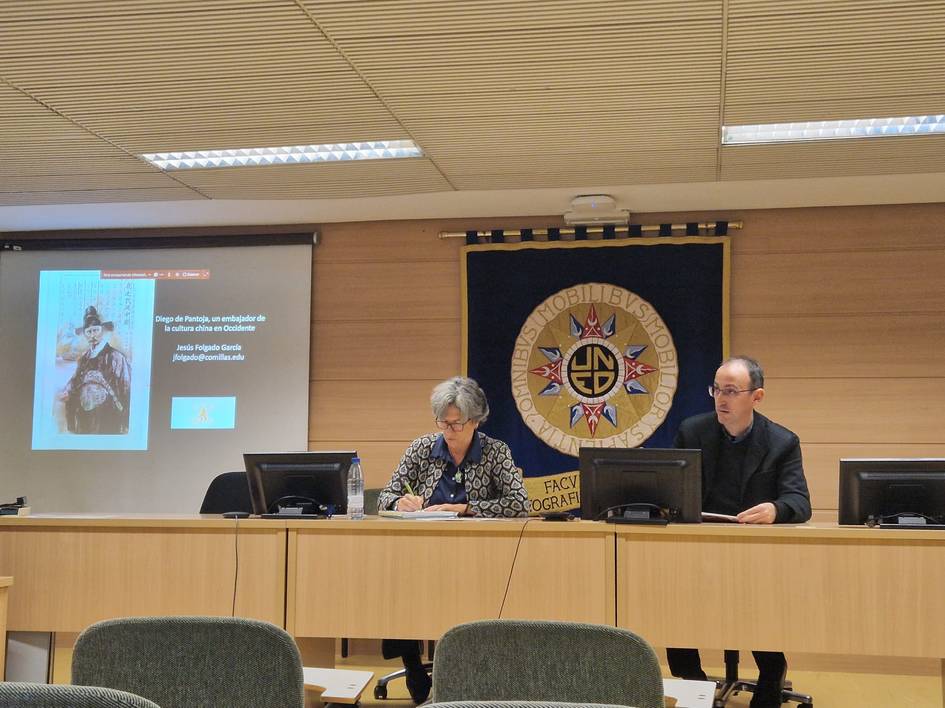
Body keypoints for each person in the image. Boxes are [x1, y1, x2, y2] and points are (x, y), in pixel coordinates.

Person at [666, 355, 811, 708]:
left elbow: (800, 501)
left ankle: (770, 676)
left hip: (754, 553)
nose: (721, 398)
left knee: (759, 603)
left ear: (756, 397)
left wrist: (777, 509)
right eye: (716, 389)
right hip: (699, 549)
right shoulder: (693, 431)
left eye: (731, 391)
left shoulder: (782, 441)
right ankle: (693, 684)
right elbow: (669, 488)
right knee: (672, 602)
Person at [377, 376, 529, 702]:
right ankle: (412, 666)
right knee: (396, 589)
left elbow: (519, 504)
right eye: (442, 422)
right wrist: (398, 502)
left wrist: (467, 508)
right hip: (420, 554)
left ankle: (468, 674)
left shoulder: (494, 452)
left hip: (479, 559)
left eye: (456, 424)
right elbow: (386, 495)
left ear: (475, 420)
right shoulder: (421, 449)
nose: (448, 431)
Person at [58, 306, 131, 434]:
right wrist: (67, 390)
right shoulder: (84, 358)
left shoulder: (115, 357)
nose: (93, 335)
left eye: (96, 330)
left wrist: (125, 418)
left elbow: (126, 386)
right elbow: (76, 380)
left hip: (107, 414)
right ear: (85, 334)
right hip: (84, 413)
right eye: (89, 332)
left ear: (102, 330)